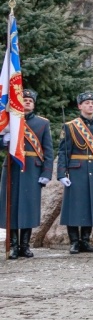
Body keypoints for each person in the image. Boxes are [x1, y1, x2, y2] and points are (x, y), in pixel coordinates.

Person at [58, 92, 93, 255]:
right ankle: (74, 242)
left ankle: (86, 240)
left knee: (91, 206)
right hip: (76, 170)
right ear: (80, 106)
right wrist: (62, 173)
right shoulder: (70, 126)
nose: (90, 105)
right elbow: (63, 152)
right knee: (74, 207)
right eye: (87, 103)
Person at [0, 89, 53, 258]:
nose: (28, 102)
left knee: (29, 208)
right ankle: (13, 245)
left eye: (31, 100)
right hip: (13, 168)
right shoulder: (10, 121)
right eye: (25, 99)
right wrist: (3, 140)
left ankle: (25, 245)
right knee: (12, 207)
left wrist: (46, 172)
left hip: (33, 169)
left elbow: (48, 151)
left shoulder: (42, 123)